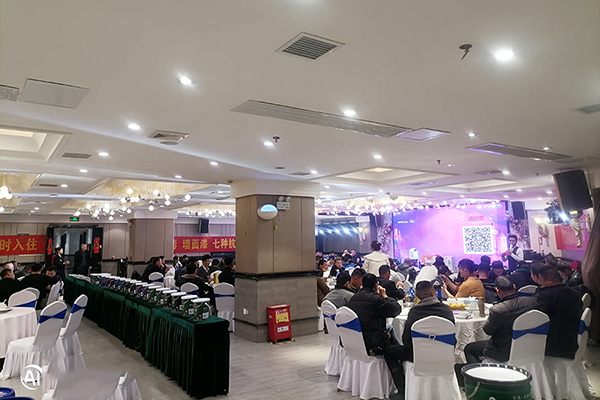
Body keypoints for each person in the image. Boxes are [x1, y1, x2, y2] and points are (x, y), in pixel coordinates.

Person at [383, 281, 453, 393]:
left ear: (417, 295)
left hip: (417, 355)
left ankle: (402, 390)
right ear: (434, 293)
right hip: (444, 354)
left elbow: (406, 341)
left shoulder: (414, 312)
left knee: (388, 351)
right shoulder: (447, 310)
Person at [463, 276, 535, 363]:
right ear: (514, 286)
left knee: (469, 348)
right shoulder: (531, 301)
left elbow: (488, 331)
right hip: (528, 345)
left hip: (502, 350)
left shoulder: (498, 310)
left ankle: (477, 371)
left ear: (497, 290)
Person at [348, 273, 402, 356]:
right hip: (373, 341)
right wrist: (385, 296)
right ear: (376, 285)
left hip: (357, 336)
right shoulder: (376, 300)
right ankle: (397, 356)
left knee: (389, 328)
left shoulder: (354, 297)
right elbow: (396, 310)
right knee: (389, 330)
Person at [536, 265, 582, 359]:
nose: (540, 283)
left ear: (550, 280)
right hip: (573, 342)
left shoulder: (545, 297)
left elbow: (540, 321)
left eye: (541, 280)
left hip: (553, 347)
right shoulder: (576, 293)